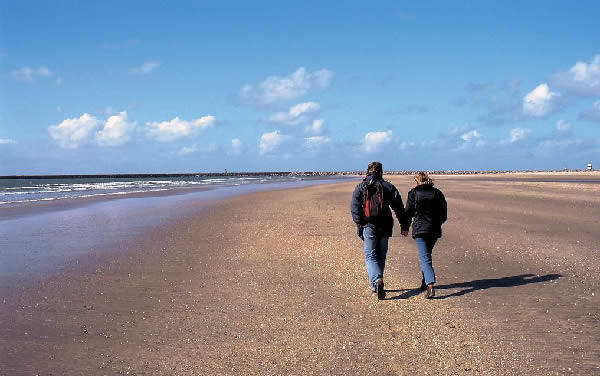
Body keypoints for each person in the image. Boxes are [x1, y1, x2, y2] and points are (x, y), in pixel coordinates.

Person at [351, 162, 406, 300]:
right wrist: (404, 224)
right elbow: (398, 206)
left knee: (371, 256)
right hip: (386, 224)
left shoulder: (361, 187)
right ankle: (378, 280)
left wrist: (360, 222)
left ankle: (376, 281)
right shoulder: (388, 186)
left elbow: (355, 207)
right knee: (381, 255)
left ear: (367, 171)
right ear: (381, 172)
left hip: (368, 225)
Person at [402, 172, 447, 299]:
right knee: (426, 255)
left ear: (417, 181)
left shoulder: (414, 193)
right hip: (434, 229)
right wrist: (439, 222)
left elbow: (408, 212)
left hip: (420, 229)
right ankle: (425, 281)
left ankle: (430, 284)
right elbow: (444, 213)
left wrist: (405, 227)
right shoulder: (437, 193)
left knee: (425, 257)